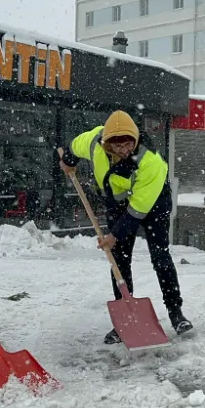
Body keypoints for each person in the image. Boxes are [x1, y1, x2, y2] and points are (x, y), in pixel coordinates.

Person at [58, 110, 192, 344]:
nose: (123, 150)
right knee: (118, 260)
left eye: (128, 144)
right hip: (118, 205)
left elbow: (139, 209)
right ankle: (124, 322)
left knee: (160, 256)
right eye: (117, 146)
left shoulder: (149, 160)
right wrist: (68, 161)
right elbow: (74, 146)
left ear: (136, 139)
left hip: (153, 205)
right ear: (106, 142)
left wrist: (115, 234)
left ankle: (175, 312)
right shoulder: (94, 143)